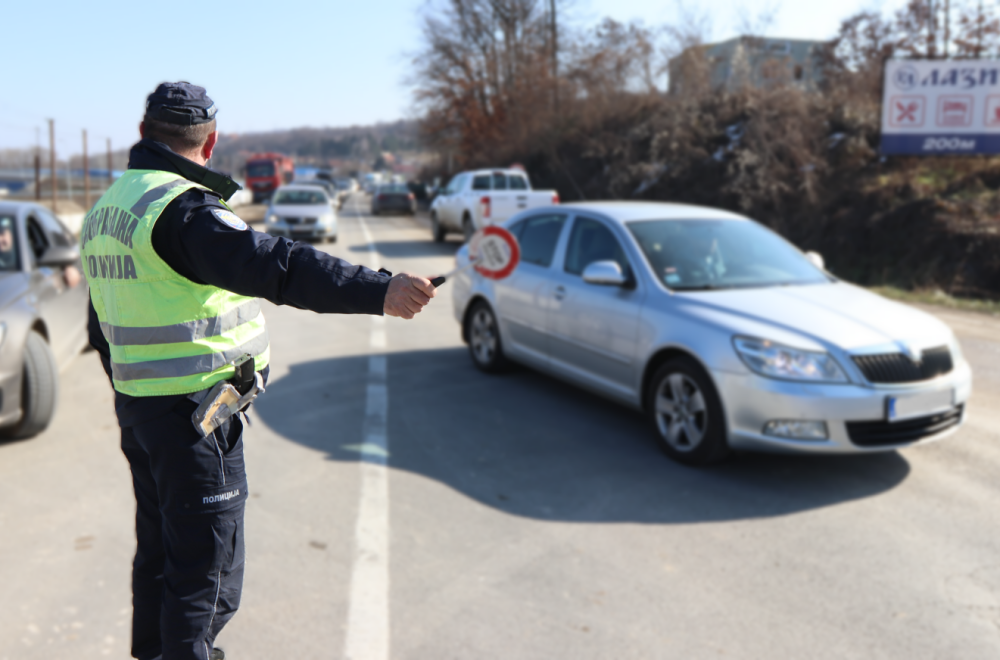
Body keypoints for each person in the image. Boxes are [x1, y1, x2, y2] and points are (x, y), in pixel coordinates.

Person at [81, 82, 436, 660]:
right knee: (205, 582)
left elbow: (101, 326)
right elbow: (281, 266)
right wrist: (382, 290)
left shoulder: (108, 209)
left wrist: (136, 391)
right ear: (212, 143)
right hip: (194, 420)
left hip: (141, 412)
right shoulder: (183, 210)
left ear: (144, 133)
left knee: (161, 562)